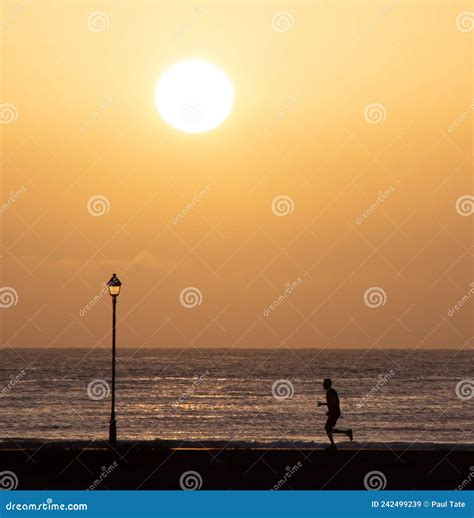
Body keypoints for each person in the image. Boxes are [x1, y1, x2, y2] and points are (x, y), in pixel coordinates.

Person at [317, 378, 353, 449]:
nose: (323, 384)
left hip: (335, 413)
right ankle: (346, 433)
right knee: (328, 428)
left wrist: (329, 410)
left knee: (327, 428)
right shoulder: (329, 391)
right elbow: (332, 403)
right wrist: (323, 404)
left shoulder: (331, 392)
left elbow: (333, 403)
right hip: (334, 412)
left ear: (328, 384)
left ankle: (334, 444)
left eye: (324, 383)